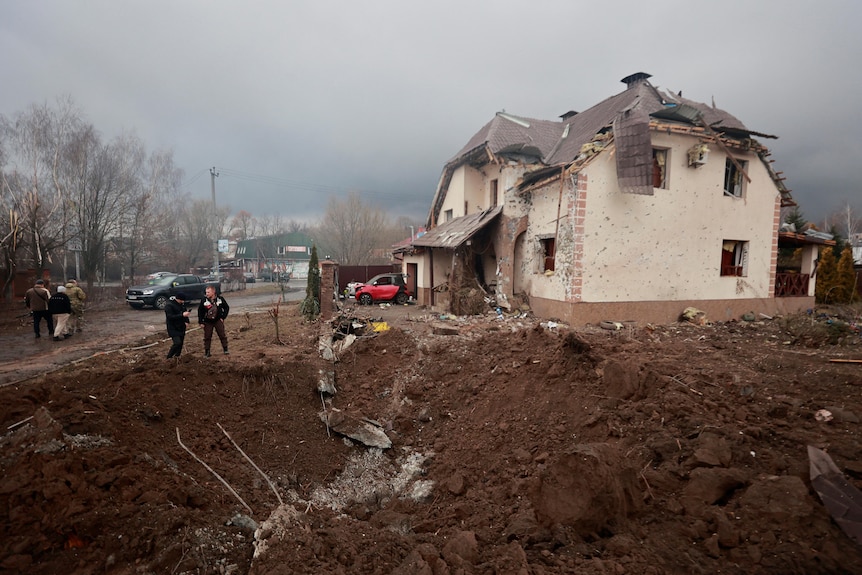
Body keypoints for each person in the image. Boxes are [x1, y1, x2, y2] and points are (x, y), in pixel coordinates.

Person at [197, 286, 230, 357]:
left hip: (218, 320)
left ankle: (225, 349)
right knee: (207, 337)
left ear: (213, 292)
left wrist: (223, 317)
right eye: (206, 292)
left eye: (208, 292)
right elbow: (200, 311)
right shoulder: (204, 300)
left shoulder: (220, 299)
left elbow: (226, 307)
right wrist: (201, 322)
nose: (207, 294)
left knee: (222, 335)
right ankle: (207, 352)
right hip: (207, 321)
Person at [165, 292, 191, 359]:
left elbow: (185, 313)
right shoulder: (169, 305)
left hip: (181, 326)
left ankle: (177, 356)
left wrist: (186, 321)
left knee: (181, 343)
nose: (183, 302)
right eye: (182, 300)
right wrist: (182, 315)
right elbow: (170, 317)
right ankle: (169, 357)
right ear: (178, 299)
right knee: (177, 343)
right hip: (173, 327)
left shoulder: (182, 305)